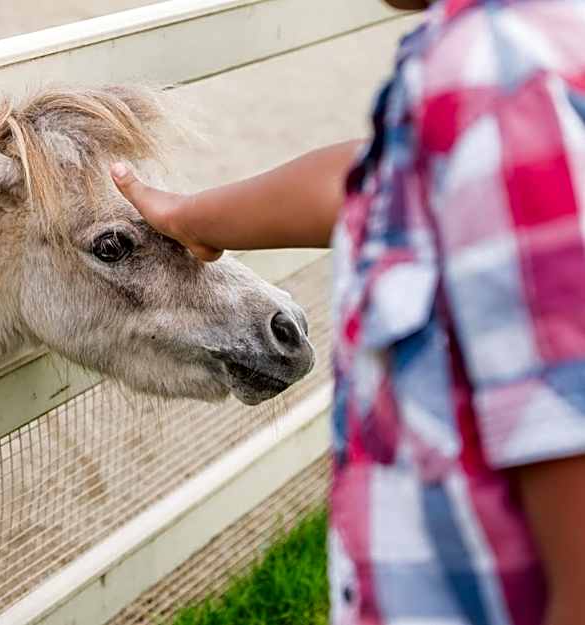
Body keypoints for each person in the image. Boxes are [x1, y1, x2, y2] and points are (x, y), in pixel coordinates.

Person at [110, 1, 585, 623]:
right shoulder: (521, 50)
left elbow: (568, 423)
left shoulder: (492, 78)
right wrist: (191, 218)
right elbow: (376, 183)